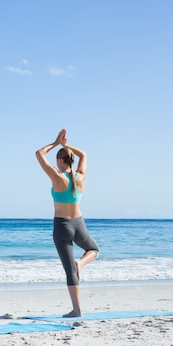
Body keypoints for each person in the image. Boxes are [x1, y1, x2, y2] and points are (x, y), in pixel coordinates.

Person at [35, 129, 100, 317]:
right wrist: (66, 146)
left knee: (69, 270)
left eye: (58, 159)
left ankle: (77, 310)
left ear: (61, 161)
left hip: (62, 226)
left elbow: (39, 154)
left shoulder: (58, 177)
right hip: (79, 224)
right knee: (94, 250)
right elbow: (84, 155)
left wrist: (56, 143)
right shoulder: (81, 176)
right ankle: (81, 263)